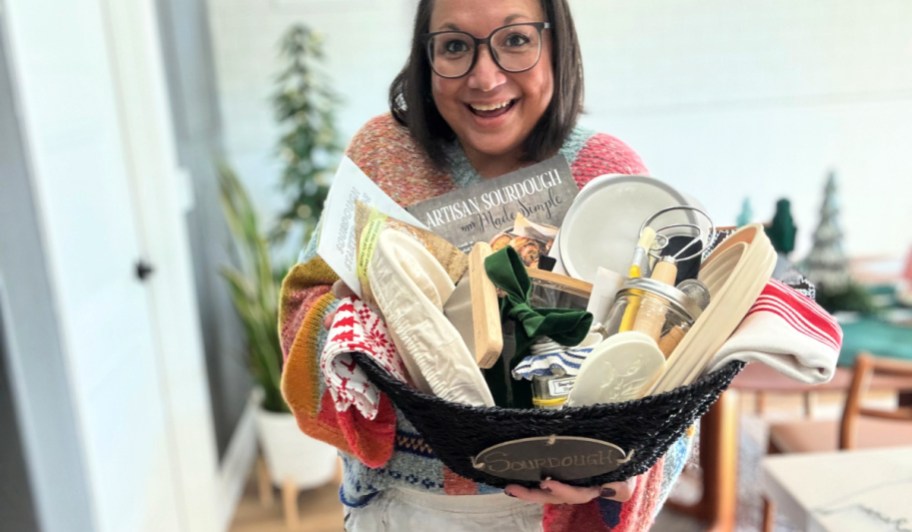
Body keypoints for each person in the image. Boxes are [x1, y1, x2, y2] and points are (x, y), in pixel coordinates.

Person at [279, 0, 694, 530]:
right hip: (401, 506)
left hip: (543, 511)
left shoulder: (605, 175)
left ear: (557, 46)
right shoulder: (384, 154)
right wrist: (354, 330)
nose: (486, 77)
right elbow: (302, 304)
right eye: (454, 47)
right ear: (424, 59)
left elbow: (676, 360)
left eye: (516, 41)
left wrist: (629, 469)